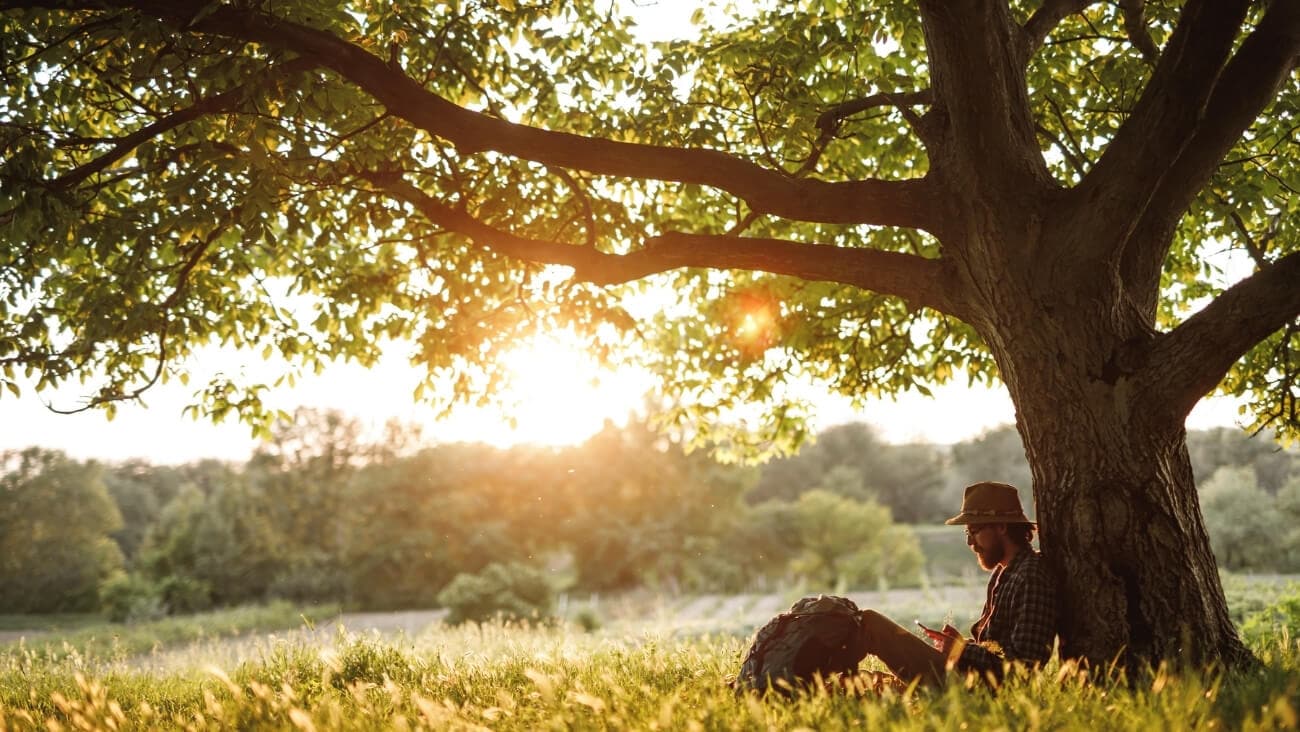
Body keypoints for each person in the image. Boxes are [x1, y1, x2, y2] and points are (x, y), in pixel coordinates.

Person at [855, 481, 1058, 688]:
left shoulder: (1031, 577)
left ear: (1001, 527)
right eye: (967, 534)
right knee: (861, 678)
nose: (970, 542)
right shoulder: (1003, 572)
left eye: (974, 531)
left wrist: (960, 649)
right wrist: (961, 645)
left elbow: (1023, 667)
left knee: (871, 624)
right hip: (967, 676)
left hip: (979, 688)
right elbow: (994, 649)